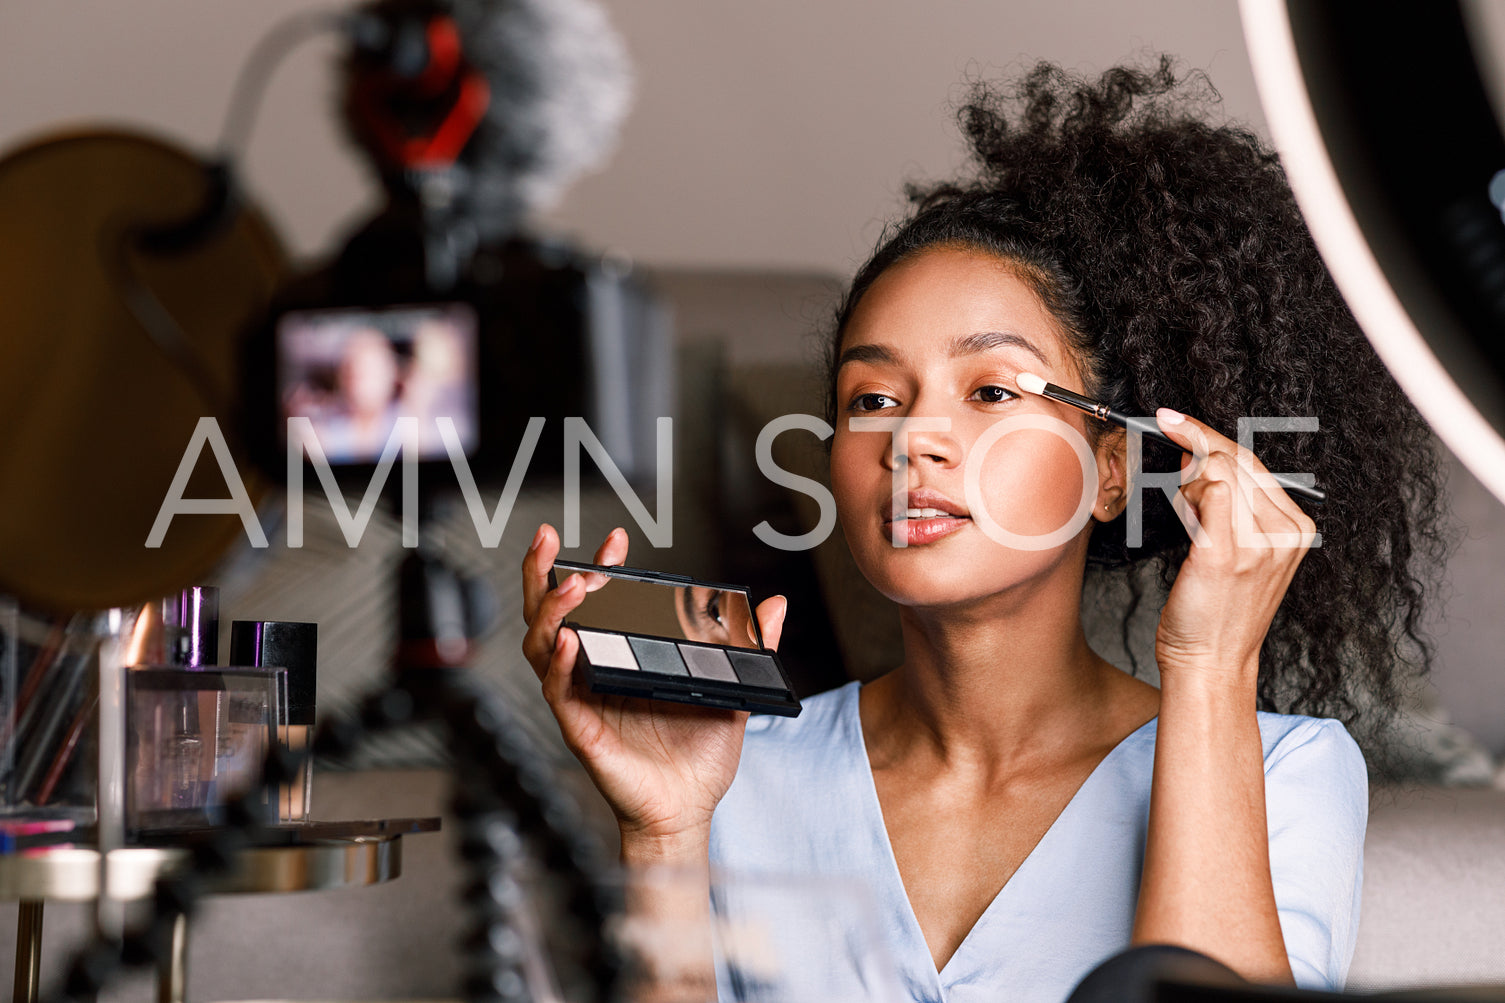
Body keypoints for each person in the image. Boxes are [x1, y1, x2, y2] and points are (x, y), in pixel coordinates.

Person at [519, 58, 1446, 1002]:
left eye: (992, 390)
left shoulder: (1286, 770)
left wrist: (1209, 672)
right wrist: (666, 835)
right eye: (871, 398)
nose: (913, 437)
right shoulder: (731, 774)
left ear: (1110, 473)